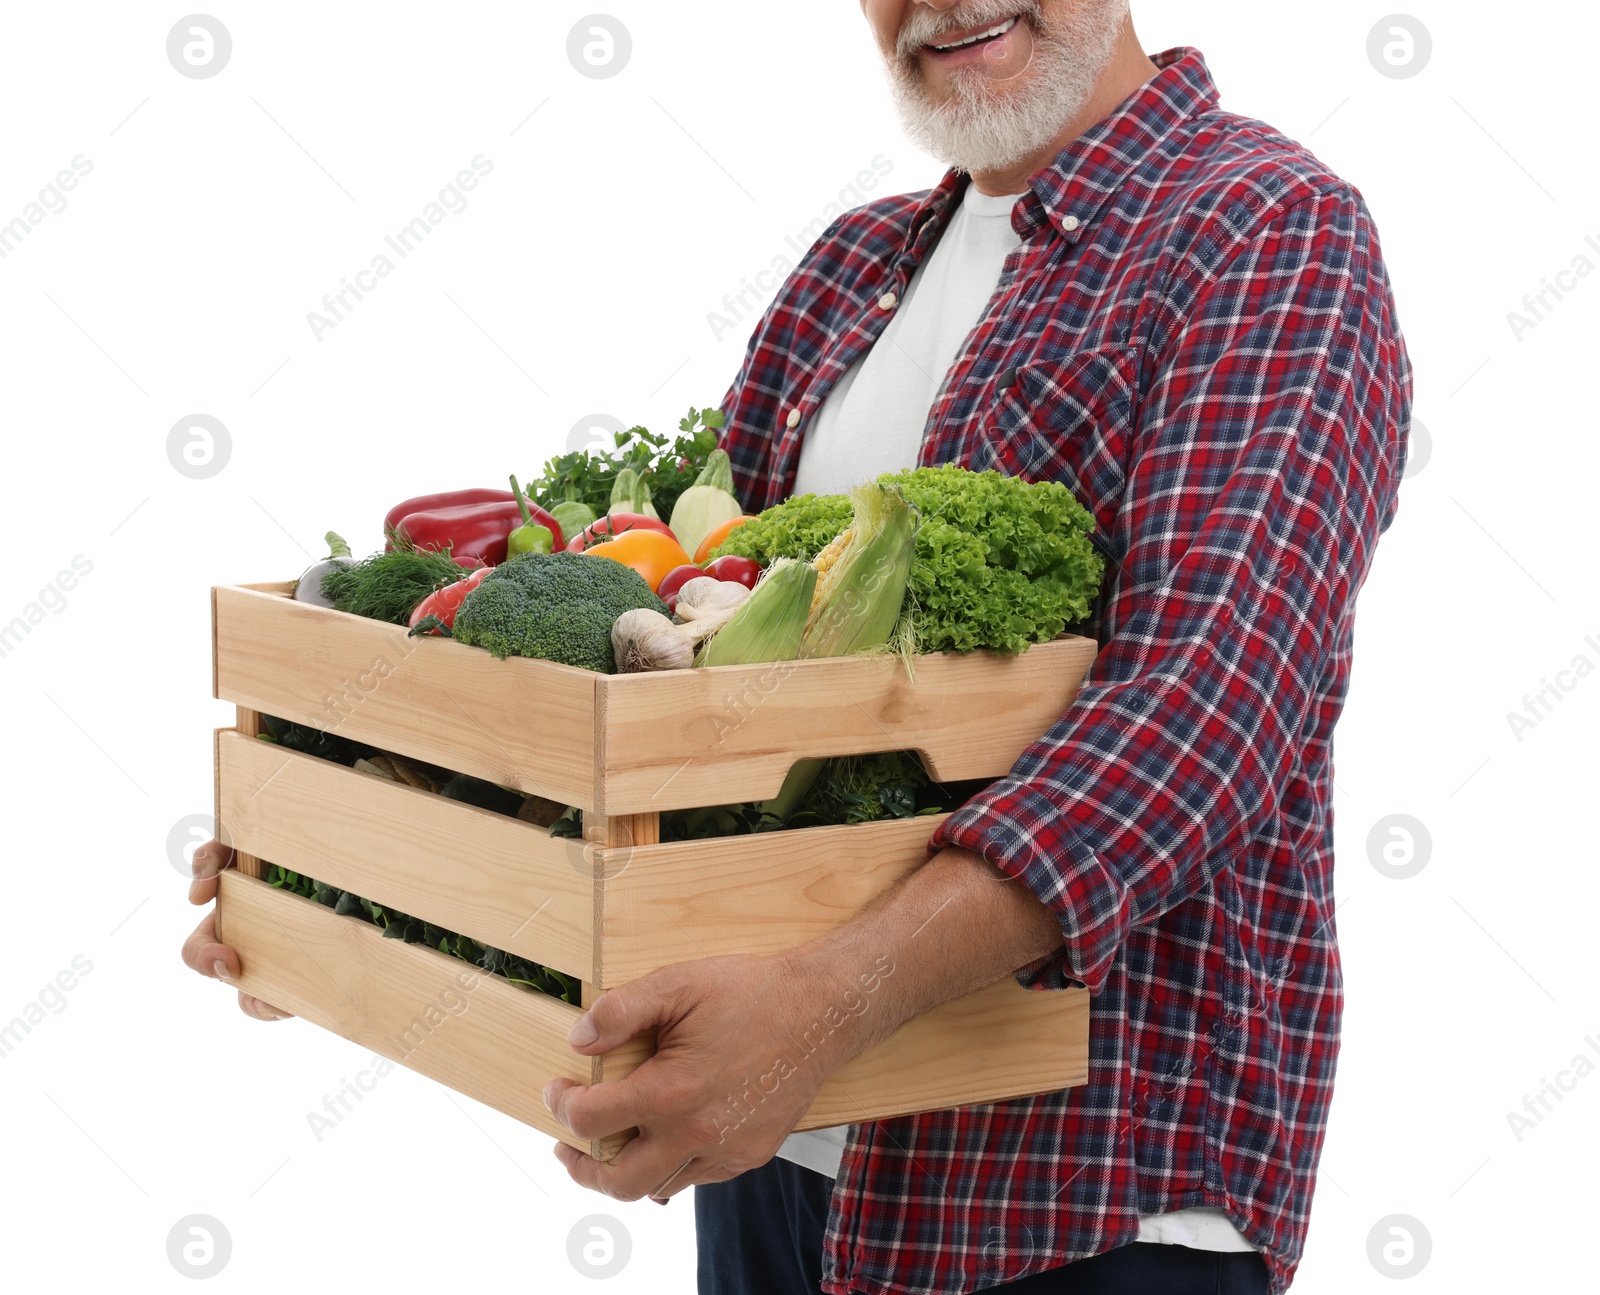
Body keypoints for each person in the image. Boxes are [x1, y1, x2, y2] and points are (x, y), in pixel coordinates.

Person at [184, 3, 1411, 1292]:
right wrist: (364, 879)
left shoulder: (1266, 229)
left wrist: (826, 1004)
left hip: (1085, 1191)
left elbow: (1216, 705)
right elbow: (694, 702)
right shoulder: (852, 266)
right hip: (779, 1154)